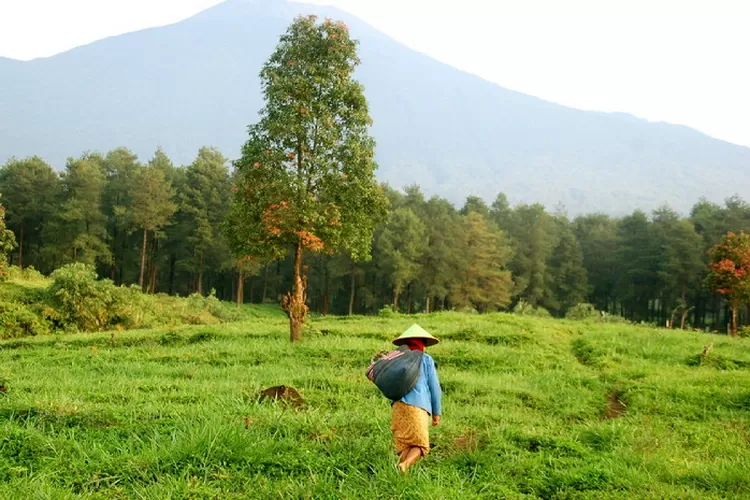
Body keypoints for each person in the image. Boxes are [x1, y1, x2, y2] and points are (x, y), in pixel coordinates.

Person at [390, 324, 442, 474]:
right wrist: (436, 413)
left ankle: (400, 477)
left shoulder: (397, 358)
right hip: (418, 406)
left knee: (406, 444)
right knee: (422, 445)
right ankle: (404, 466)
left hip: (398, 406)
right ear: (422, 343)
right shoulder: (425, 359)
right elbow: (434, 387)